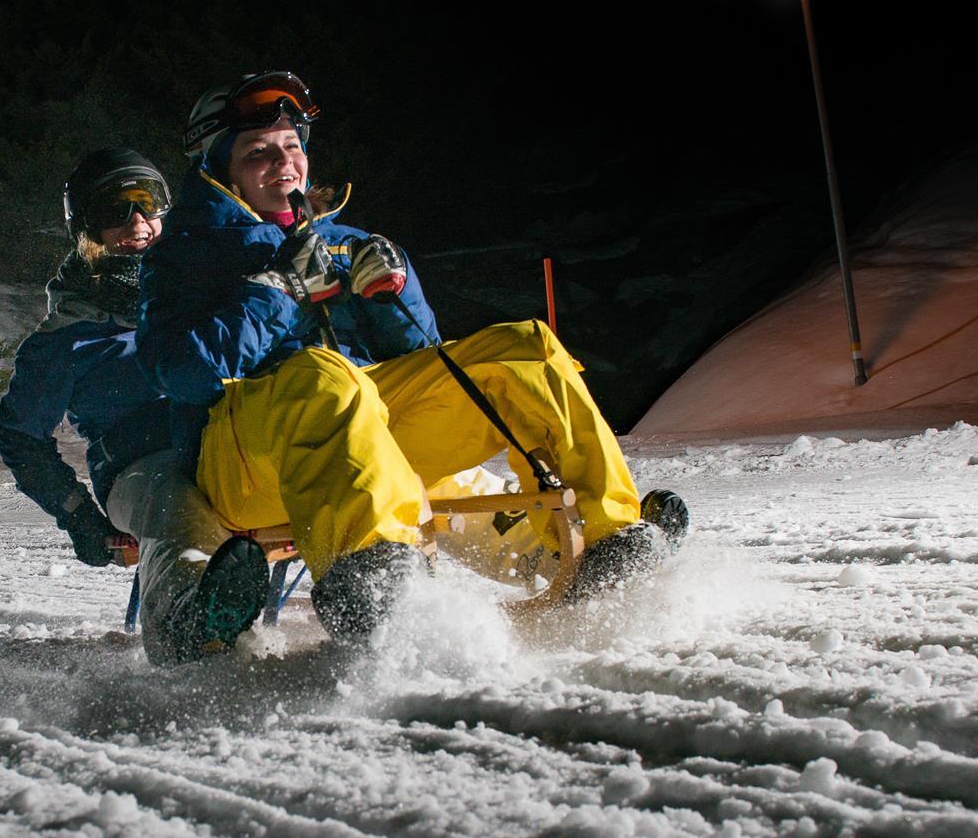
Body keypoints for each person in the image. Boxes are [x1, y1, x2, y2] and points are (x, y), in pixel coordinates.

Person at [137, 71, 686, 640]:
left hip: (364, 431)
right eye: (258, 152)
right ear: (220, 169)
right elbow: (180, 373)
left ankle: (607, 540)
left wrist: (394, 295)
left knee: (523, 348)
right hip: (245, 461)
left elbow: (426, 360)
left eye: (292, 146)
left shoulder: (344, 240)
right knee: (325, 375)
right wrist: (278, 291)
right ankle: (371, 580)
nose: (284, 163)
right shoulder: (183, 253)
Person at [0, 147, 273, 664]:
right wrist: (78, 514)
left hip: (236, 445)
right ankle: (187, 621)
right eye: (114, 211)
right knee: (177, 505)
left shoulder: (207, 293)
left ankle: (372, 580)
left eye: (148, 202)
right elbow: (19, 434)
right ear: (86, 230)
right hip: (142, 467)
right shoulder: (69, 336)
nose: (137, 222)